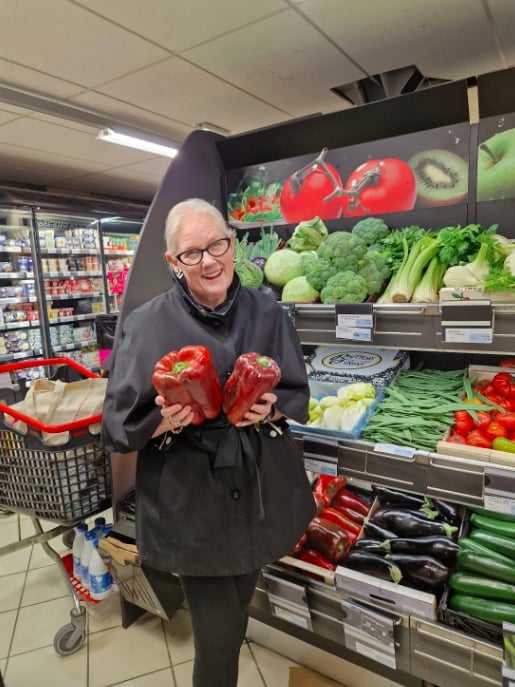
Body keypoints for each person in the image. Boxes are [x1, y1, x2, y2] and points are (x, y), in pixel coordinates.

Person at [102, 197, 316, 687]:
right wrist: (164, 421)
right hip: (192, 501)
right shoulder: (147, 324)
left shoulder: (269, 312)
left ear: (233, 243)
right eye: (192, 253)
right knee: (218, 639)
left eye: (217, 244)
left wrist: (271, 406)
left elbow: (294, 390)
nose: (210, 260)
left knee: (237, 614)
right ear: (173, 263)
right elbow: (117, 425)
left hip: (259, 486)